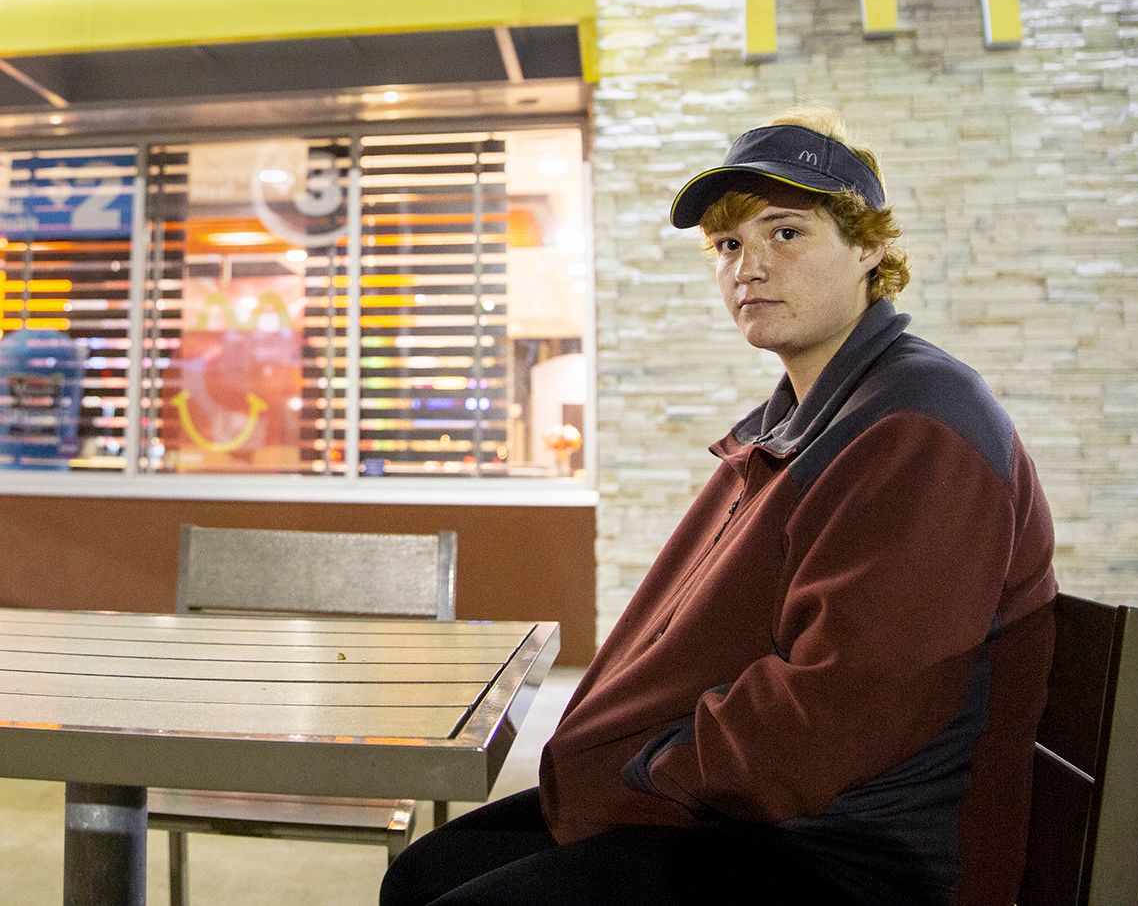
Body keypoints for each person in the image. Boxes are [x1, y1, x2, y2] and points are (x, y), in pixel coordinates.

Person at [382, 109, 1056, 906]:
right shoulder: (813, 419)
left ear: (870, 247)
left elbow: (837, 714)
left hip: (858, 864)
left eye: (787, 234)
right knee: (424, 870)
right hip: (782, 826)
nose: (749, 267)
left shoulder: (917, 425)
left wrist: (648, 768)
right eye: (729, 245)